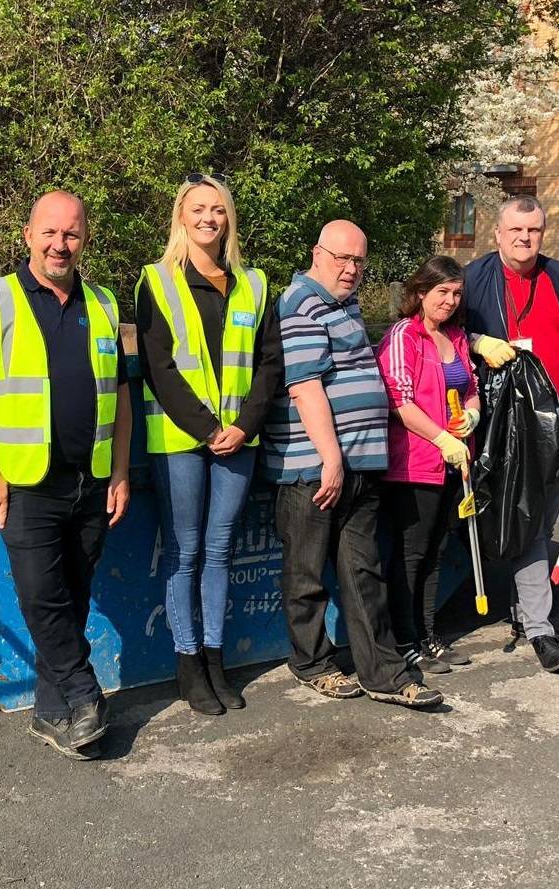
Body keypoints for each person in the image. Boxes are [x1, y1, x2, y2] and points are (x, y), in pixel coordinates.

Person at [0, 190, 133, 760]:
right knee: (43, 597)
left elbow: (121, 396)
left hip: (91, 479)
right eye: (50, 233)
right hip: (23, 484)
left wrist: (120, 471)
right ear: (29, 236)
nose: (60, 244)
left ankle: (55, 716)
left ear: (85, 241)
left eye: (71, 234)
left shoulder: (102, 304)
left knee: (73, 598)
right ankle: (83, 694)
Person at [262, 220, 442, 709]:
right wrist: (331, 460)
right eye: (342, 258)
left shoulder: (345, 305)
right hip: (314, 467)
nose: (351, 269)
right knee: (306, 575)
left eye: (359, 261)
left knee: (364, 573)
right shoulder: (300, 303)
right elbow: (304, 386)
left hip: (358, 465)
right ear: (317, 253)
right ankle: (312, 663)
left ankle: (382, 672)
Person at [135, 174, 281, 715]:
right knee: (185, 551)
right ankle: (188, 662)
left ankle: (216, 661)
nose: (208, 218)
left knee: (220, 550)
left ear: (229, 219)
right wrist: (206, 427)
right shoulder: (157, 279)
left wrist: (242, 425)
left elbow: (270, 364)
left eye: (218, 209)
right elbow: (158, 365)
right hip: (180, 438)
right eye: (198, 209)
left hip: (240, 437)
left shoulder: (254, 283)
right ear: (181, 216)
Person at [462, 194, 559, 672]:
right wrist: (473, 341)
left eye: (533, 231)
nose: (524, 239)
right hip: (500, 426)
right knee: (518, 522)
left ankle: (529, 616)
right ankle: (538, 626)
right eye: (515, 231)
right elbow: (434, 330)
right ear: (498, 235)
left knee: (536, 524)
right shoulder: (472, 280)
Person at [376, 256, 480, 673]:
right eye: (442, 292)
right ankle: (404, 640)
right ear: (420, 292)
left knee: (435, 553)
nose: (450, 301)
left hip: (453, 465)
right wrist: (440, 438)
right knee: (410, 556)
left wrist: (472, 415)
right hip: (414, 465)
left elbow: (470, 389)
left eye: (456, 293)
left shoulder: (455, 337)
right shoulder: (404, 336)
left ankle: (428, 634)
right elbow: (398, 401)